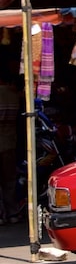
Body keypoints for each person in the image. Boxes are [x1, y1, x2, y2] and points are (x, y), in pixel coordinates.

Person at [0, 65, 21, 223]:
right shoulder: (15, 95)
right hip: (9, 143)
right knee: (9, 180)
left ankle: (1, 214)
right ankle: (13, 213)